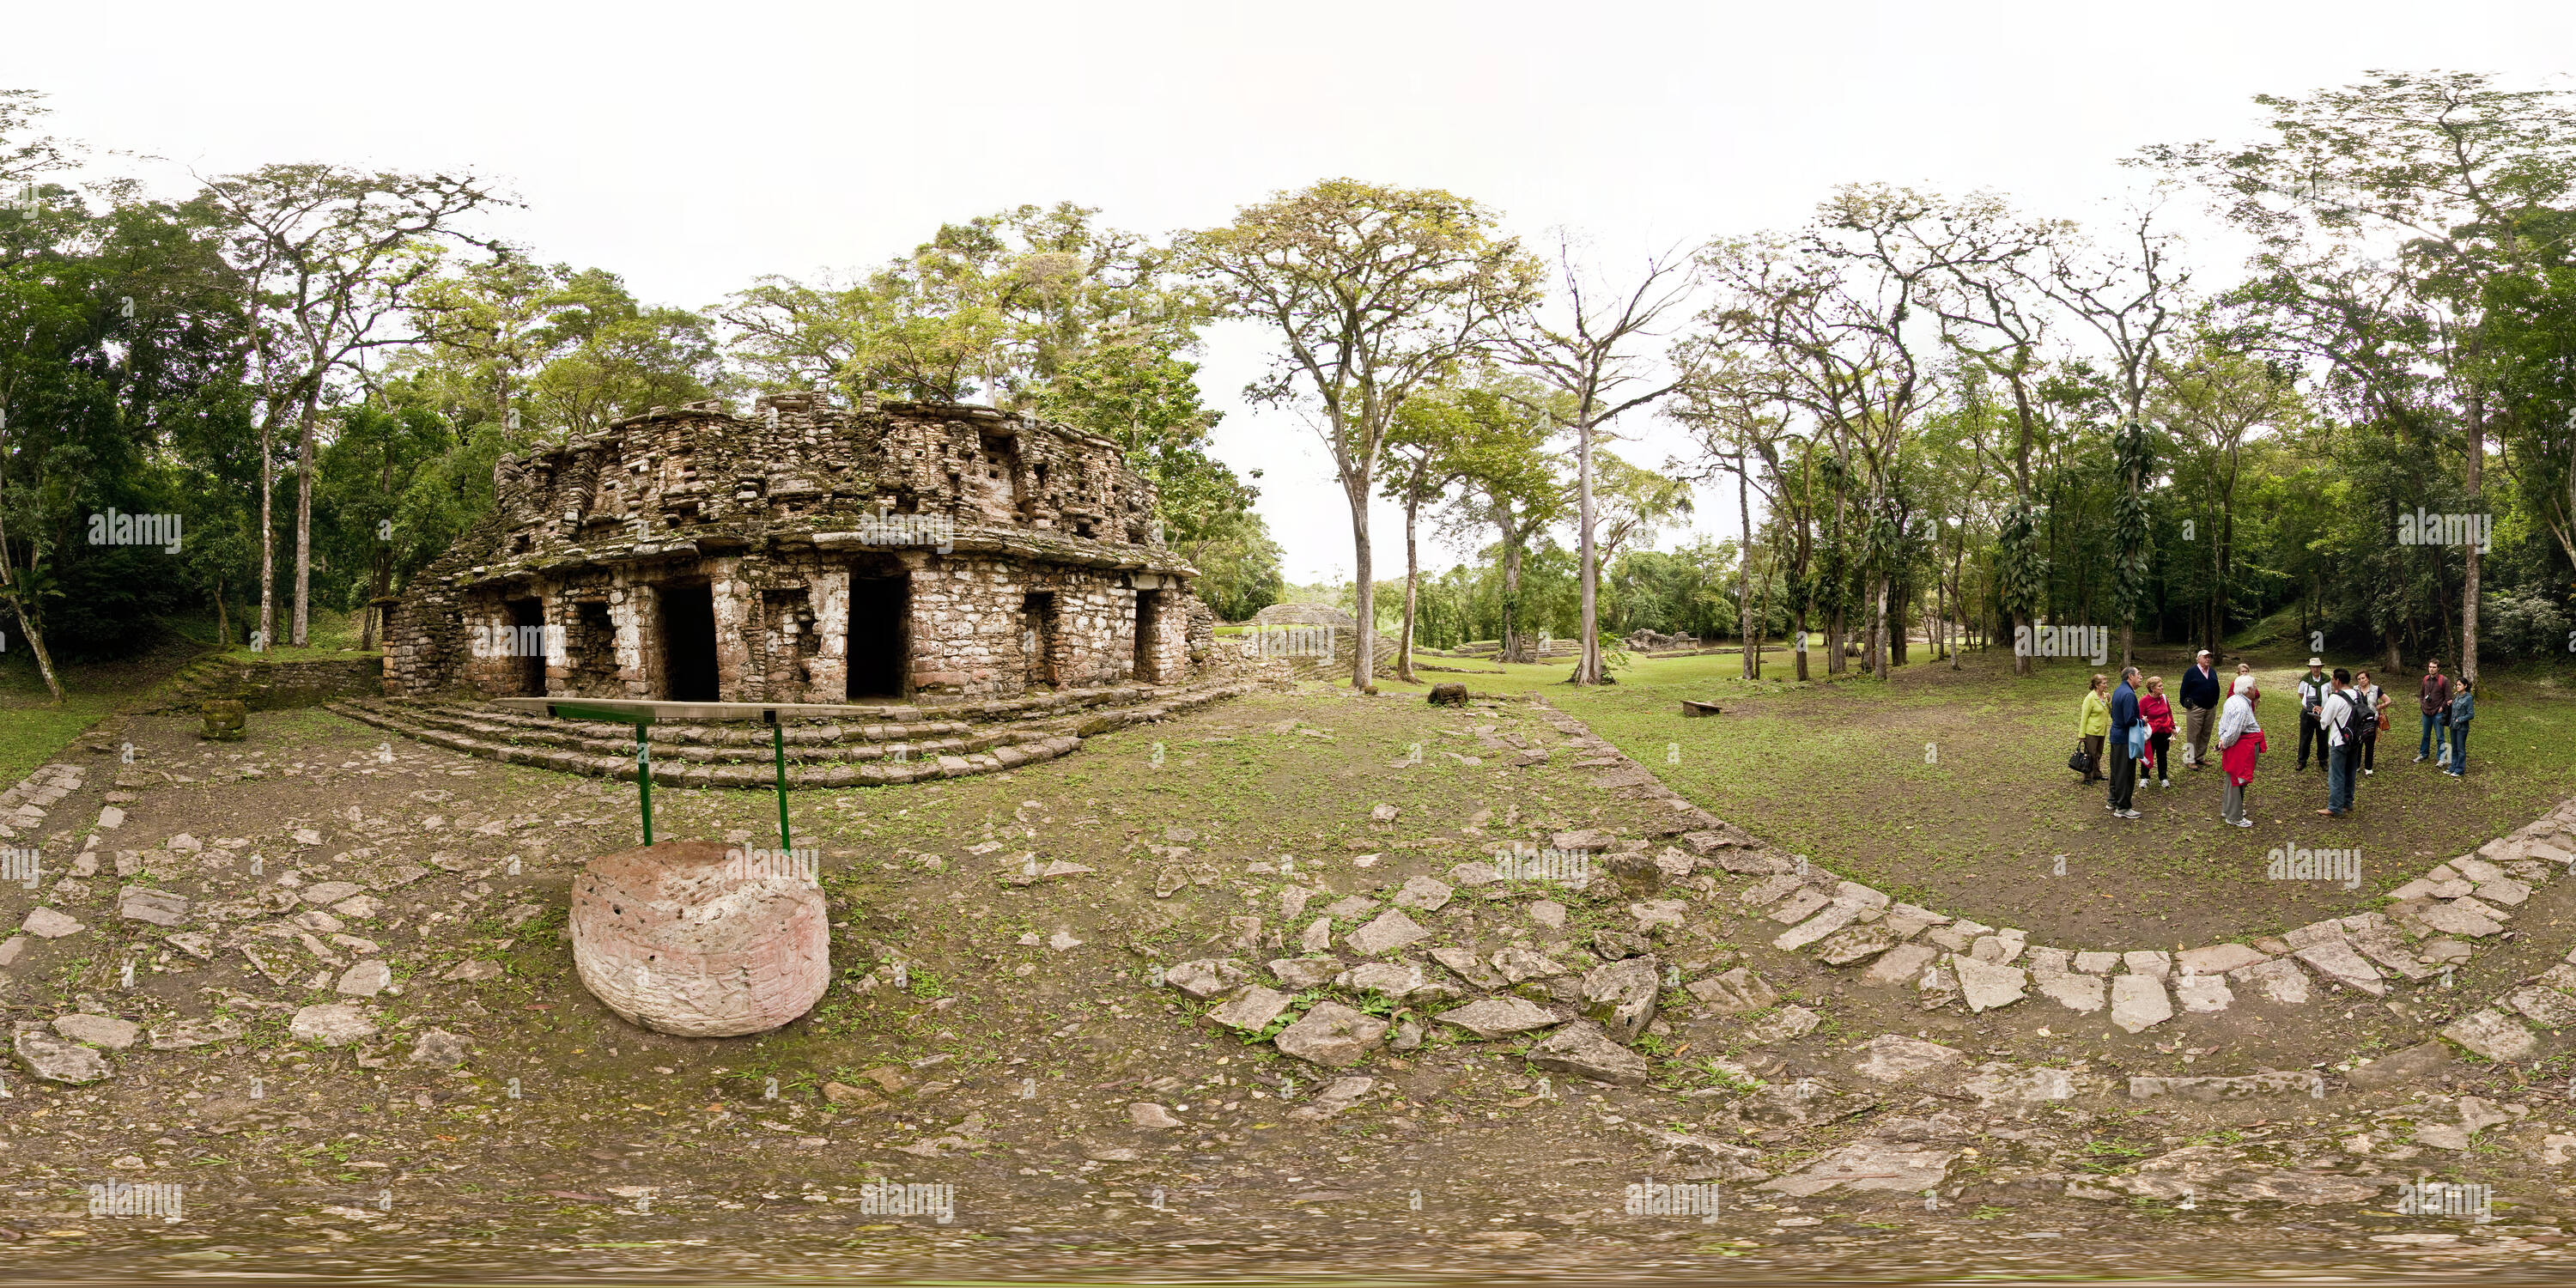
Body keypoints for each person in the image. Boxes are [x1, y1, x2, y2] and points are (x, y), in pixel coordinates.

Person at [2217, 674, 2265, 828]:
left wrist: (2222, 739)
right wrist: (2225, 742)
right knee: (2239, 779)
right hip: (2242, 746)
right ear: (2248, 689)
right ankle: (2234, 816)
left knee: (2233, 778)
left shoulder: (2232, 700)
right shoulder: (2242, 707)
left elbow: (2223, 724)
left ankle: (2229, 809)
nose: (2256, 689)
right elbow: (2234, 732)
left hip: (2238, 744)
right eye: (2254, 686)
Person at [2319, 667, 2357, 817]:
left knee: (2336, 775)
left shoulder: (2335, 698)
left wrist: (2320, 714)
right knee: (2350, 772)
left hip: (2339, 740)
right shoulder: (2357, 694)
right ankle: (2348, 802)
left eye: (2333, 680)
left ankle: (2335, 806)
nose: (2332, 682)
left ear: (2338, 681)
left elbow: (2324, 722)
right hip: (2354, 739)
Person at [2107, 665, 2142, 818]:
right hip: (2124, 738)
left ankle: (2113, 800)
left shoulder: (2119, 690)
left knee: (2116, 770)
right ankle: (2123, 807)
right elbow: (2129, 720)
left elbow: (2115, 714)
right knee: (2125, 772)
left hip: (2116, 736)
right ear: (2130, 677)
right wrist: (2143, 721)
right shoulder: (2129, 694)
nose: (2141, 677)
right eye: (2138, 675)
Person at [2178, 649, 2221, 770]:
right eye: (2205, 657)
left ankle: (2200, 757)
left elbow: (2216, 687)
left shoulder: (2212, 672)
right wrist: (2185, 703)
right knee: (2193, 735)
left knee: (2206, 733)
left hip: (2210, 707)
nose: (2208, 659)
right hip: (2196, 707)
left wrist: (2215, 701)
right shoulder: (2191, 672)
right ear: (2198, 659)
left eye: (2209, 657)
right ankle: (2189, 760)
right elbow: (2184, 689)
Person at [2141, 675, 2177, 788]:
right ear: (2152, 689)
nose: (2162, 688)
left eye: (2162, 685)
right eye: (2159, 686)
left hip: (2164, 732)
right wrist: (2142, 736)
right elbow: (2140, 718)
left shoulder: (2164, 698)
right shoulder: (2144, 701)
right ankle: (2144, 777)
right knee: (2147, 754)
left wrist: (2173, 727)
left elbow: (2169, 713)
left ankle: (2163, 778)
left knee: (2162, 755)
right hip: (2151, 733)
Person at [2294, 657, 2330, 772]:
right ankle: (2302, 761)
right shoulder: (2305, 679)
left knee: (2323, 736)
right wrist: (2309, 705)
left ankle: (2323, 760)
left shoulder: (2327, 679)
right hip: (2307, 712)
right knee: (2305, 737)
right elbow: (2301, 694)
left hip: (2323, 712)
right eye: (2313, 667)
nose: (2316, 669)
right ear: (2310, 668)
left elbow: (2329, 694)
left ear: (2321, 667)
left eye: (2318, 667)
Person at [2416, 659, 2454, 765]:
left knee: (2440, 736)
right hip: (2426, 712)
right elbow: (2421, 694)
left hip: (2437, 712)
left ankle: (2442, 758)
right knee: (2425, 735)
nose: (2431, 669)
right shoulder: (2425, 679)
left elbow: (2449, 697)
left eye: (2434, 667)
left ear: (2438, 668)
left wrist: (2442, 707)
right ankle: (2423, 754)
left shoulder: (2444, 680)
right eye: (2430, 667)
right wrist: (2422, 704)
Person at [2076, 674, 2110, 786]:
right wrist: (2082, 735)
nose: (2106, 685)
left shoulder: (2105, 696)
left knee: (2098, 753)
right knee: (2090, 754)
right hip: (2091, 731)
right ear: (2097, 685)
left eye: (2106, 683)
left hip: (2102, 730)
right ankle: (2087, 777)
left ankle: (2097, 774)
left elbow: (2109, 711)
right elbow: (2084, 717)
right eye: (2104, 683)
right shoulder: (2090, 698)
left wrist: (2109, 701)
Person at [2353, 669, 2388, 775]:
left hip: (2371, 721)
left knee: (2369, 744)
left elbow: (2388, 700)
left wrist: (2380, 706)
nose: (2361, 681)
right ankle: (2356, 765)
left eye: (2363, 678)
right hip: (2358, 721)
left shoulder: (2376, 689)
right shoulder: (2354, 690)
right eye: (2359, 679)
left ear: (2368, 678)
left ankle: (2368, 767)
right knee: (2357, 744)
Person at [2446, 677, 2476, 778]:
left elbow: (2471, 714)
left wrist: (2460, 719)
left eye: (2459, 685)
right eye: (2457, 685)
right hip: (2453, 726)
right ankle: (2453, 766)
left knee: (2460, 748)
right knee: (2454, 747)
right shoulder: (2456, 696)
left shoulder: (2468, 698)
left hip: (2462, 728)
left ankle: (2460, 769)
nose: (2457, 686)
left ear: (2465, 686)